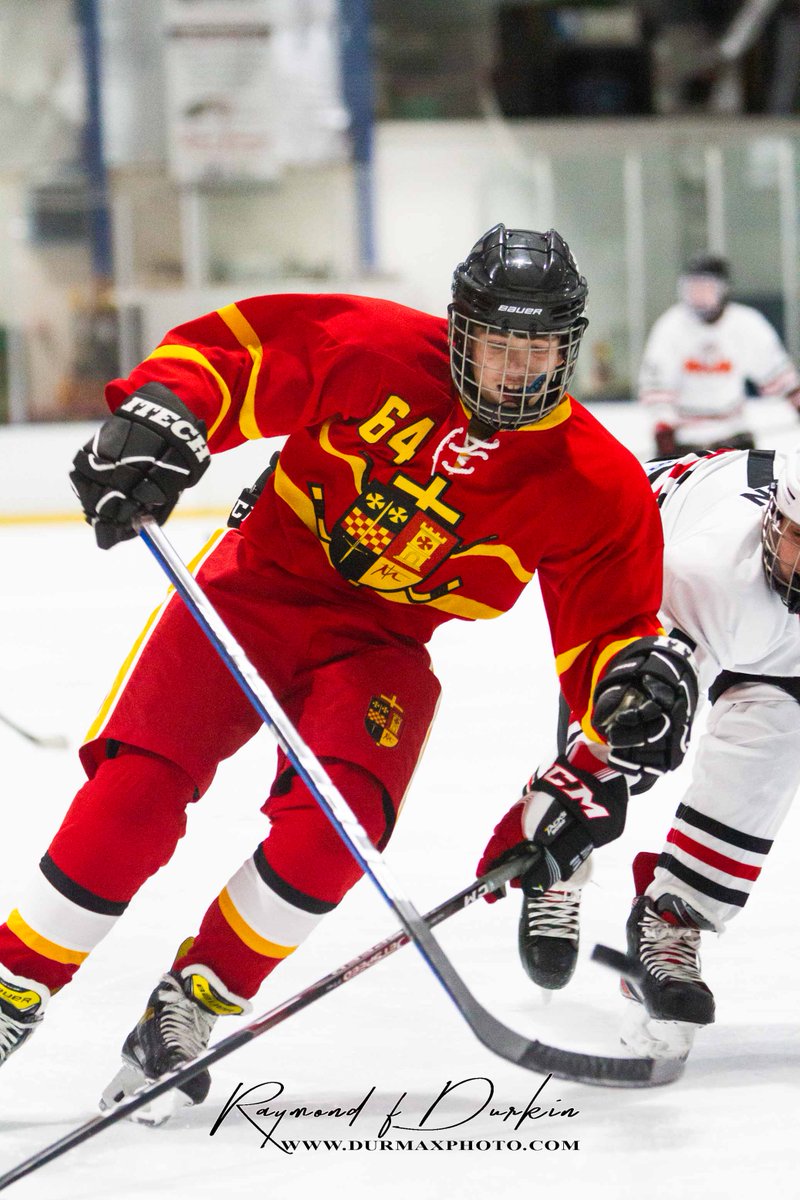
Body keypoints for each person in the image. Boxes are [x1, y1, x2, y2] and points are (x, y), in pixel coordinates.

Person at [0, 224, 696, 1116]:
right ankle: (15, 987)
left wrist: (629, 685)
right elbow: (236, 359)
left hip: (382, 646)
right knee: (136, 791)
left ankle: (193, 1000)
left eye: (538, 346)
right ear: (459, 330)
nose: (514, 366)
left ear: (569, 346)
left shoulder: (593, 480)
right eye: (496, 341)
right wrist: (165, 409)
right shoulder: (374, 347)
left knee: (338, 830)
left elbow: (606, 635)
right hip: (256, 588)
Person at [515, 444, 800, 1058]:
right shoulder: (714, 574)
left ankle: (668, 923)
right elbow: (643, 688)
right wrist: (581, 790)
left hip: (760, 632)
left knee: (779, 729)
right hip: (641, 548)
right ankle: (557, 864)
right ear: (773, 521)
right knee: (630, 729)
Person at [638, 253, 800, 458]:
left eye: (706, 288)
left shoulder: (747, 323)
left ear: (723, 289)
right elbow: (656, 387)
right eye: (692, 288)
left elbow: (779, 376)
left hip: (734, 438)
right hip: (685, 442)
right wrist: (663, 426)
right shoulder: (671, 326)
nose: (698, 296)